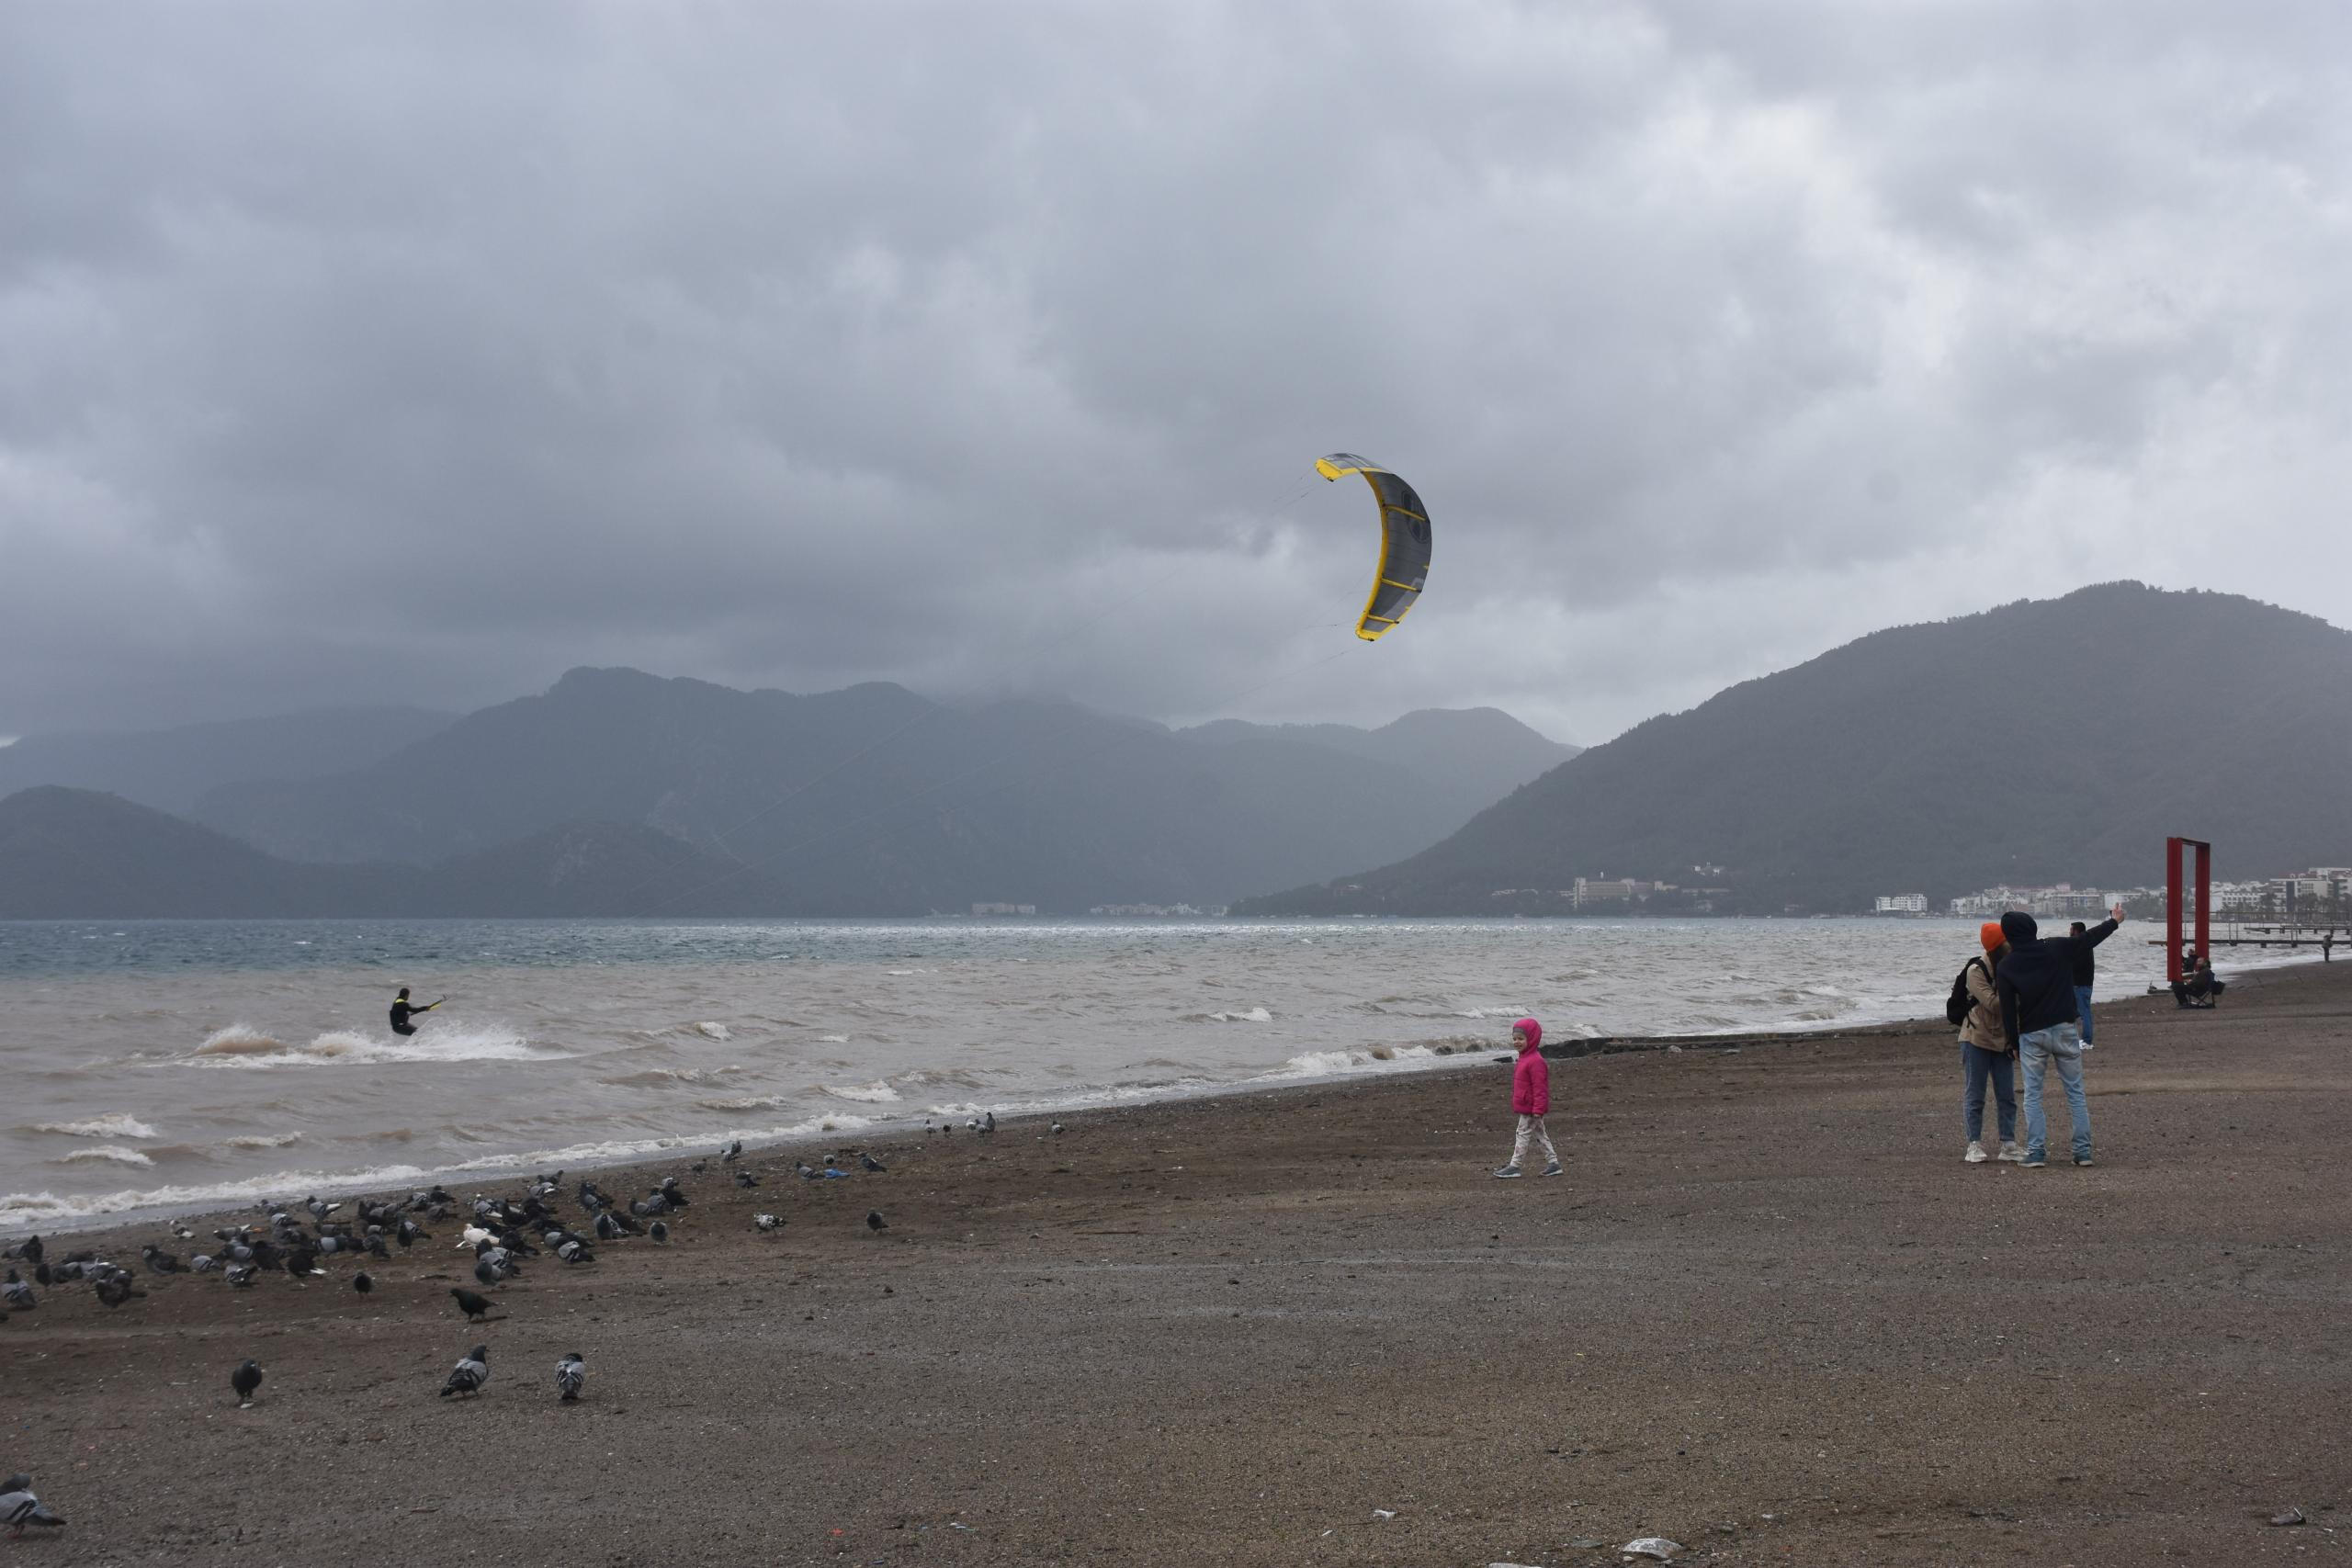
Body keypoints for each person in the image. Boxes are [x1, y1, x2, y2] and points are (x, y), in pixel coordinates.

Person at [1996, 905, 2122, 1168]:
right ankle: (2082, 1152)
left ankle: (2037, 1152)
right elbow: (2089, 939)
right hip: (2064, 1027)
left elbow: (2008, 1008)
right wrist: (2113, 921)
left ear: (2008, 936)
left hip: (2032, 1034)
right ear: (2033, 928)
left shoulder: (2007, 964)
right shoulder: (2056, 946)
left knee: (2033, 1094)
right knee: (2075, 1091)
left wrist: (2012, 1041)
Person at [1958, 921, 2024, 1164]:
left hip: (2003, 1038)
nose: (2011, 945)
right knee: (1975, 1094)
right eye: (2006, 942)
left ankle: (2008, 1144)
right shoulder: (1976, 970)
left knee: (2006, 1094)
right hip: (1975, 1037)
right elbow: (1994, 1004)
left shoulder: (2010, 964)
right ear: (1998, 945)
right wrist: (2017, 991)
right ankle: (1973, 1144)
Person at [1493, 1017, 1564, 1179]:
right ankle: (1554, 1164)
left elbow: (1540, 1088)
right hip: (1527, 1105)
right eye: (1514, 1039)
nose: (1517, 1042)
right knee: (1540, 1134)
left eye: (1521, 1039)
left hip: (1532, 1108)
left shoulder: (1536, 1061)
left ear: (1531, 1039)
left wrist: (1538, 1109)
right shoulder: (1524, 1058)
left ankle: (1515, 1166)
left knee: (1522, 1133)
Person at [2068, 919, 2098, 1047]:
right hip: (2082, 983)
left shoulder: (2081, 946)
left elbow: (2076, 965)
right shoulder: (2085, 944)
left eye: (2071, 930)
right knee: (2074, 1013)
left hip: (2081, 984)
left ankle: (2087, 1041)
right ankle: (2076, 1038)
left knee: (2084, 1013)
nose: (2069, 932)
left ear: (2076, 931)